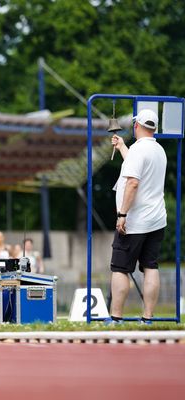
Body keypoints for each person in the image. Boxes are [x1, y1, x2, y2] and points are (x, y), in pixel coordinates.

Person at [107, 109, 166, 325]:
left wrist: (122, 214)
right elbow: (136, 165)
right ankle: (147, 318)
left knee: (120, 268)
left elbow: (133, 182)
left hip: (134, 222)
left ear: (136, 126)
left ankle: (116, 318)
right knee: (150, 266)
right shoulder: (159, 150)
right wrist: (123, 147)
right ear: (155, 128)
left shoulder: (140, 151)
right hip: (157, 219)